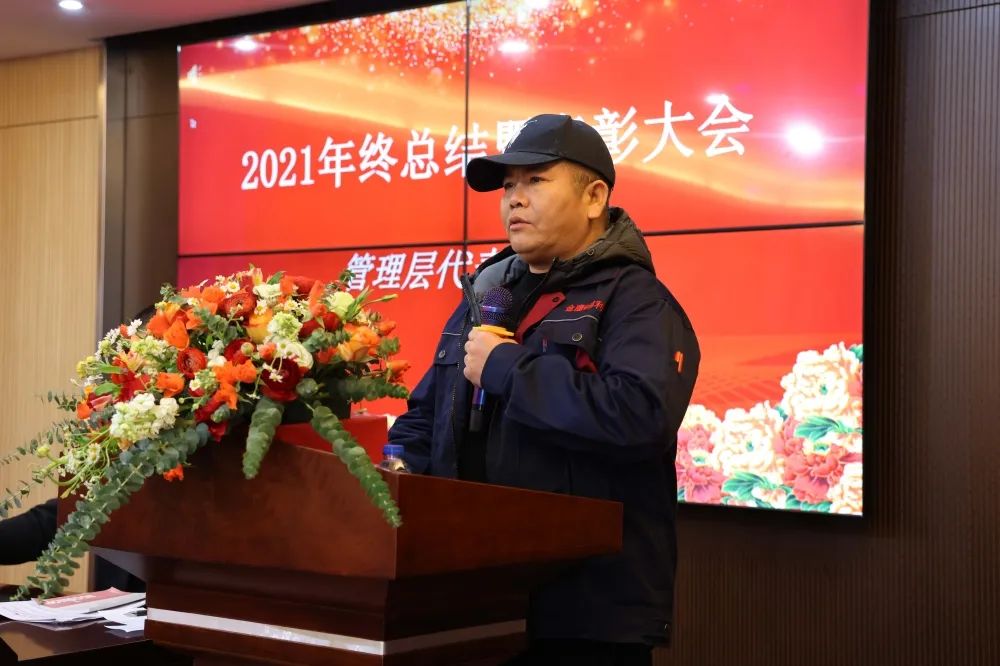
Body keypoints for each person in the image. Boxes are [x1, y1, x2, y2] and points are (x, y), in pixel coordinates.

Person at [388, 113, 700, 665]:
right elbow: (428, 411)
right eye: (507, 186)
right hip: (471, 599)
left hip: (584, 613)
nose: (515, 198)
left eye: (535, 180)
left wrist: (511, 371)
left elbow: (639, 417)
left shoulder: (637, 301)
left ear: (594, 197)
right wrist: (396, 467)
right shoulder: (489, 298)